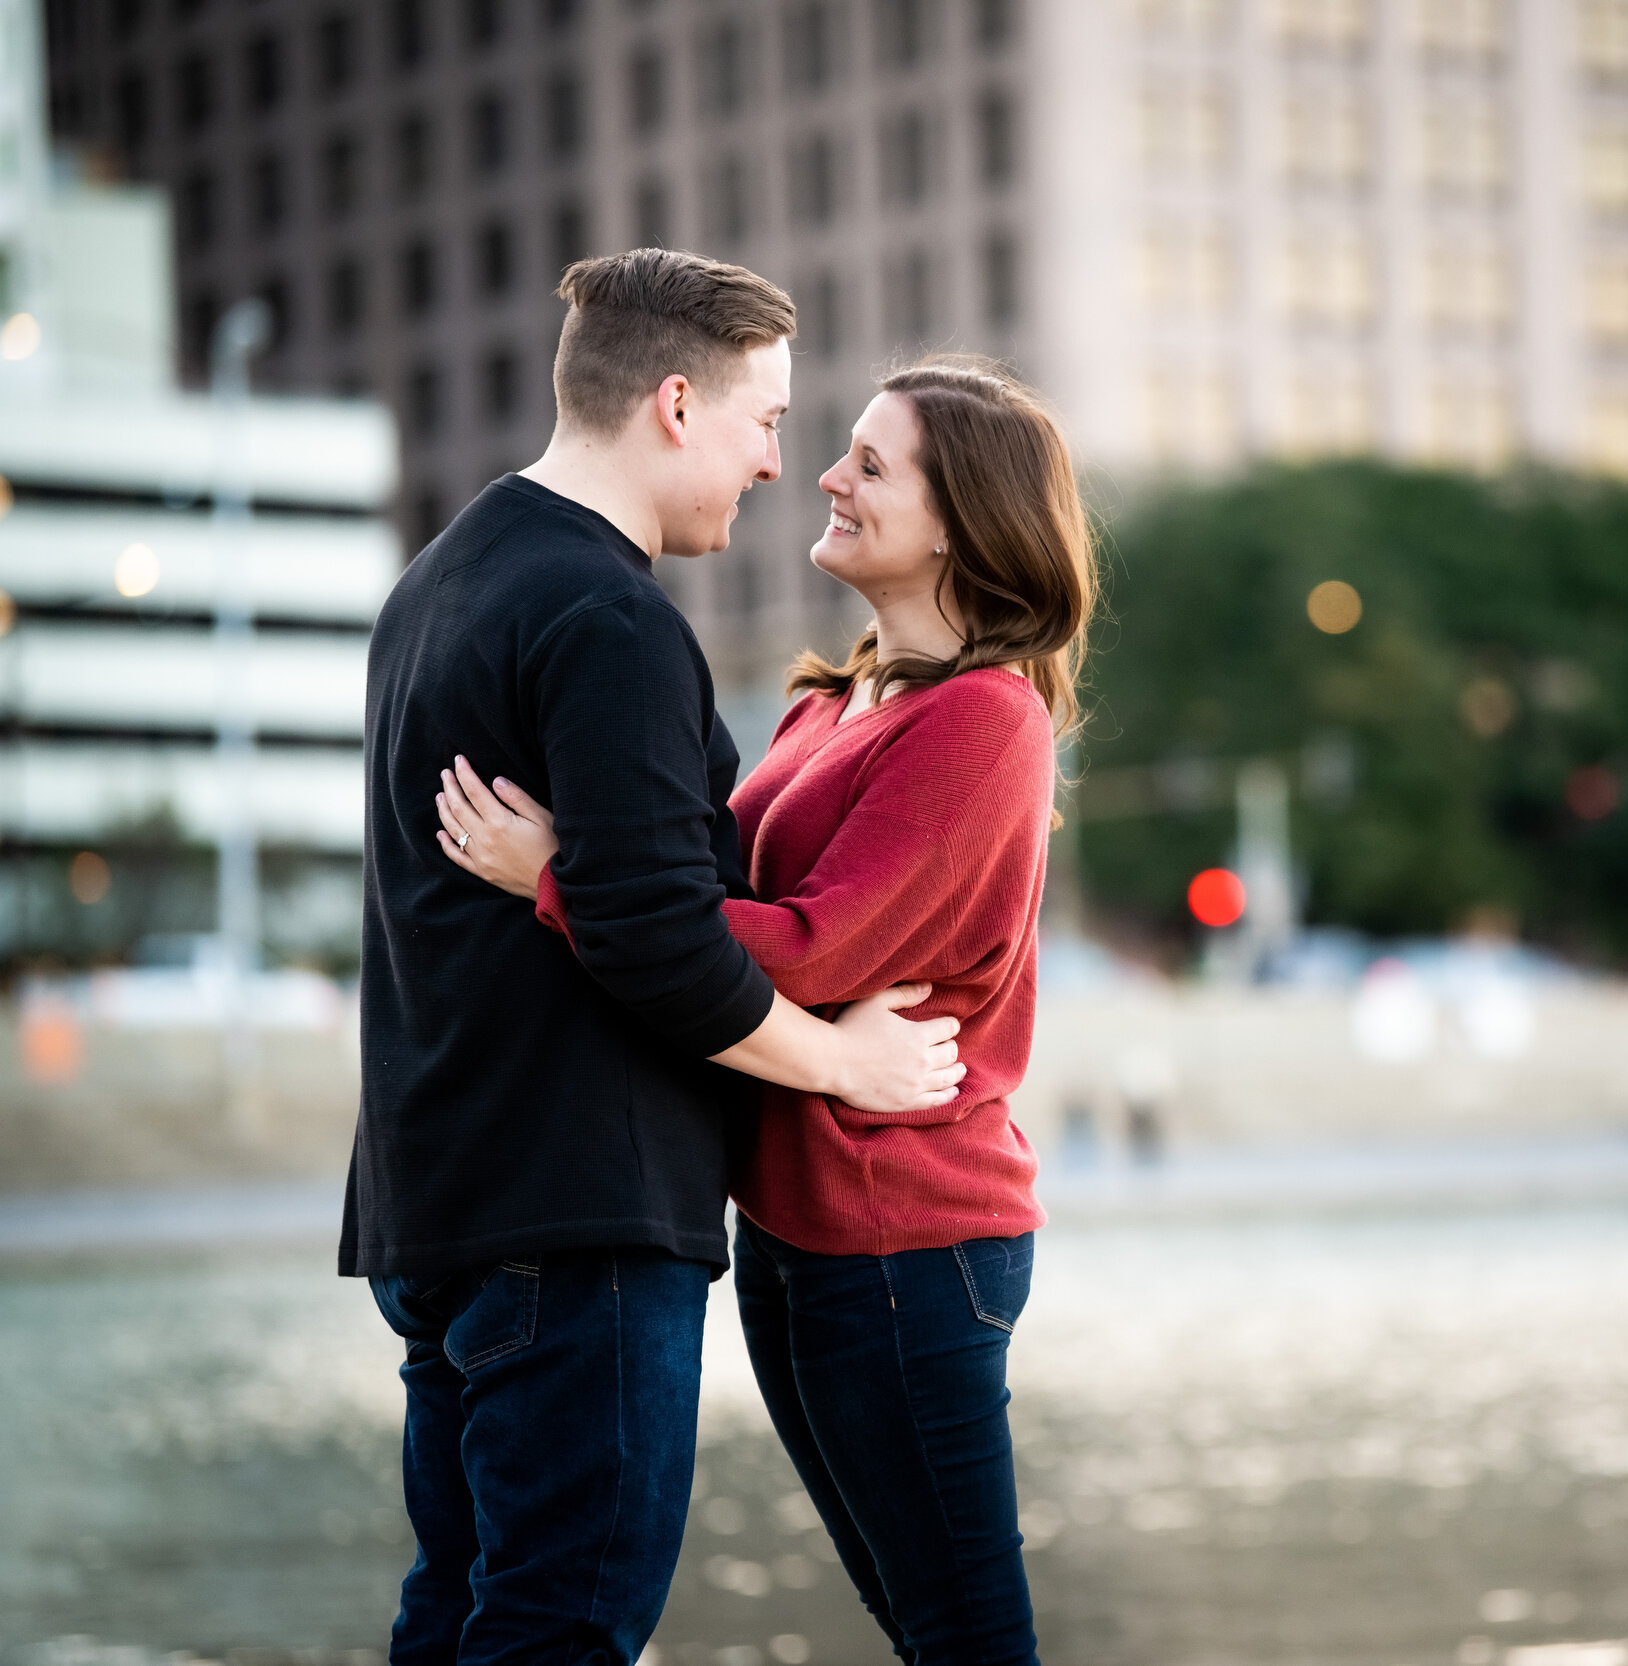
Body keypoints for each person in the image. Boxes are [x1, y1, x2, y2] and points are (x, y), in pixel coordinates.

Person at [348, 249, 965, 1663]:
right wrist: (847, 1063)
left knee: (457, 1613)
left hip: (437, 1196)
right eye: (765, 421)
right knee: (562, 1627)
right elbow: (657, 938)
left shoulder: (436, 583)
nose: (775, 464)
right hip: (576, 1214)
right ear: (677, 406)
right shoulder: (610, 618)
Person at [439, 356, 1092, 1666]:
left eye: (870, 462)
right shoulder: (826, 700)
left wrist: (560, 875)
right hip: (795, 1225)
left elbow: (807, 943)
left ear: (962, 519)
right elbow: (699, 895)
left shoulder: (986, 721)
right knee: (916, 1618)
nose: (827, 478)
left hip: (911, 1235)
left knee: (965, 1633)